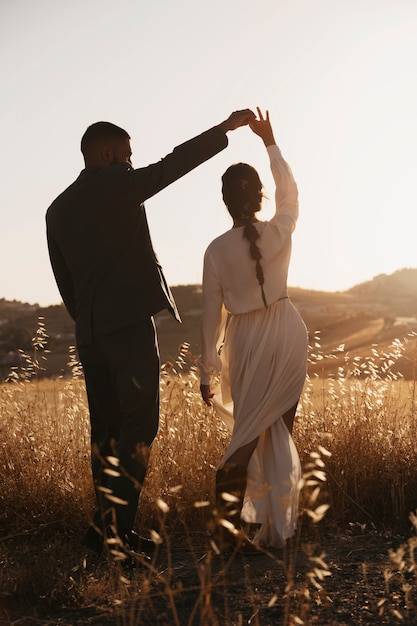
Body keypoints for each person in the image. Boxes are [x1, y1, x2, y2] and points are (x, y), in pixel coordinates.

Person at [46, 109, 255, 559]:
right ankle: (117, 535)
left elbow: (64, 281)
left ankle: (103, 530)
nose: (132, 162)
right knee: (140, 426)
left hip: (90, 332)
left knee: (105, 433)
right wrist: (221, 130)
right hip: (127, 328)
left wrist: (90, 321)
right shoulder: (117, 185)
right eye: (126, 154)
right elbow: (172, 166)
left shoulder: (57, 209)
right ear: (106, 153)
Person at [199, 108, 308, 551]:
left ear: (225, 201)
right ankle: (275, 529)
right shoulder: (280, 228)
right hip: (287, 333)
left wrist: (207, 370)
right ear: (260, 197)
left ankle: (224, 538)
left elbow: (212, 317)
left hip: (246, 342)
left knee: (245, 438)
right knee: (279, 431)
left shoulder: (215, 250)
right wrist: (270, 142)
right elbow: (291, 194)